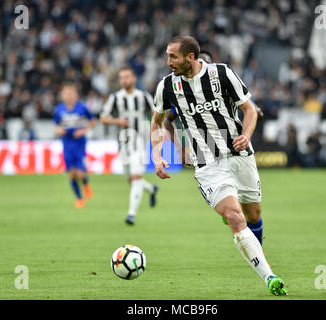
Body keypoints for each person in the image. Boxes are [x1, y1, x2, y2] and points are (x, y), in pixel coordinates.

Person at [150, 35, 287, 296]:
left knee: (254, 215)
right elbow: (157, 122)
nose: (168, 62)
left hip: (239, 154)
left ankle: (257, 255)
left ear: (191, 57)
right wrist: (160, 154)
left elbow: (248, 109)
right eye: (167, 56)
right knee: (235, 217)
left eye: (173, 56)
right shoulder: (167, 86)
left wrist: (246, 135)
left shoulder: (222, 74)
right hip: (207, 163)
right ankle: (269, 276)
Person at [164, 49, 267, 237]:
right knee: (233, 209)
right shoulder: (182, 91)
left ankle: (257, 250)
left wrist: (252, 119)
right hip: (206, 153)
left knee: (253, 213)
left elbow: (251, 108)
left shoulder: (222, 80)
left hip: (233, 147)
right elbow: (167, 120)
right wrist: (179, 148)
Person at [101, 67, 158, 225]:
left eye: (127, 77)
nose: (124, 80)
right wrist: (117, 121)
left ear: (133, 78)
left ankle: (131, 214)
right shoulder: (115, 98)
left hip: (139, 141)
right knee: (130, 179)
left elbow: (156, 114)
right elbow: (103, 118)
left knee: (136, 177)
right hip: (123, 142)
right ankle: (152, 190)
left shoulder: (143, 96)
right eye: (121, 78)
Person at [53, 83, 96, 209]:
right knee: (71, 174)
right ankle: (80, 199)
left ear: (76, 95)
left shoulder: (82, 108)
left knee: (80, 173)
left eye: (71, 93)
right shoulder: (59, 110)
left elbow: (93, 120)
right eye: (66, 93)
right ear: (62, 95)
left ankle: (86, 183)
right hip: (67, 144)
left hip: (79, 144)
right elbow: (56, 125)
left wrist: (83, 131)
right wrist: (59, 131)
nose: (68, 96)